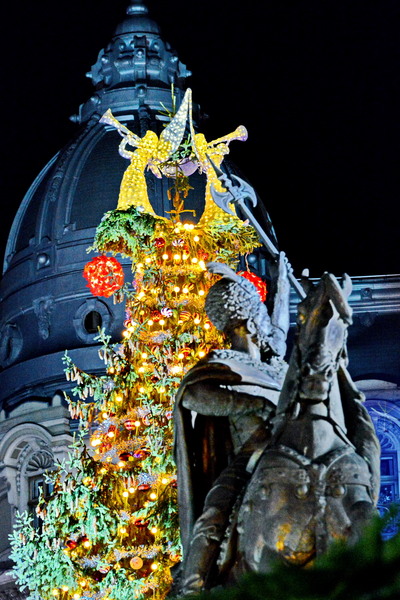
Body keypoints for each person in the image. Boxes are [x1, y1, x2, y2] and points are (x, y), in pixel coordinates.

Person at [174, 252, 291, 594]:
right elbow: (193, 396)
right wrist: (254, 405)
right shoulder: (223, 365)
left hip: (293, 457)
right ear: (252, 325)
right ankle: (194, 587)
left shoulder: (276, 369)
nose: (270, 327)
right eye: (263, 317)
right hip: (248, 462)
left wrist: (282, 284)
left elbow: (279, 334)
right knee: (214, 514)